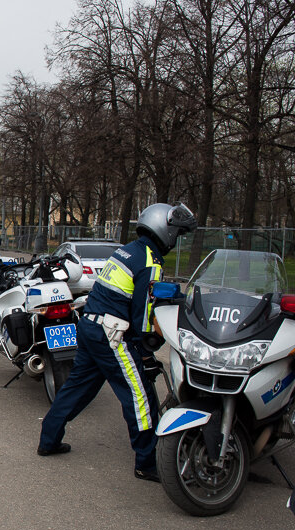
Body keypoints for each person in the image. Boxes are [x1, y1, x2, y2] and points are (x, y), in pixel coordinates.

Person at [36, 202, 196, 482]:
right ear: (163, 228)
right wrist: (149, 345)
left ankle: (48, 440)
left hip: (90, 327)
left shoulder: (128, 250)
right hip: (113, 335)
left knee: (76, 388)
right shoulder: (149, 259)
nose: (176, 238)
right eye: (176, 232)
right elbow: (143, 314)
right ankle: (147, 462)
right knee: (140, 396)